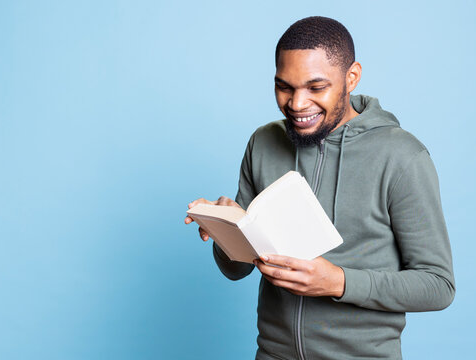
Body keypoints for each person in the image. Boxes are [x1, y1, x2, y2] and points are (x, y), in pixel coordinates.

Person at [184, 16, 455, 360]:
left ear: (351, 77)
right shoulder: (263, 143)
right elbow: (236, 270)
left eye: (315, 88)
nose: (297, 104)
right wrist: (226, 231)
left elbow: (438, 286)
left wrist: (339, 282)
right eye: (284, 86)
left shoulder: (402, 157)